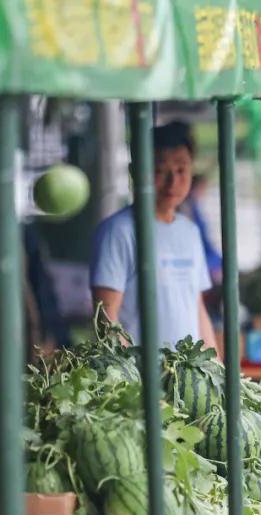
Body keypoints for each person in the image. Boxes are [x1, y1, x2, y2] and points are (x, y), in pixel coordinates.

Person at [90, 121, 219, 356]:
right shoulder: (119, 231)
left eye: (181, 170)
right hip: (142, 380)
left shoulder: (189, 231)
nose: (173, 181)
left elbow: (197, 307)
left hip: (186, 379)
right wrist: (133, 378)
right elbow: (106, 317)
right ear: (135, 172)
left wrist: (216, 369)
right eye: (160, 171)